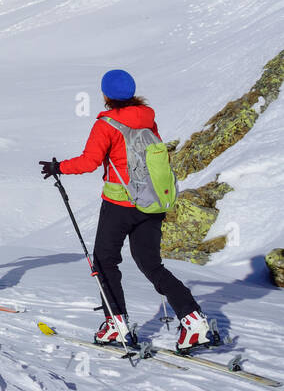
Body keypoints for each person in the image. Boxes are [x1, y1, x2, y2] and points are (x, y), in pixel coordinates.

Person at [39, 69, 212, 350]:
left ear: (106, 95)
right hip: (151, 202)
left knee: (105, 261)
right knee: (152, 265)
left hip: (120, 203)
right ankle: (194, 320)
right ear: (131, 93)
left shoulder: (106, 124)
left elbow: (89, 162)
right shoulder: (147, 119)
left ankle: (117, 325)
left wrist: (58, 167)